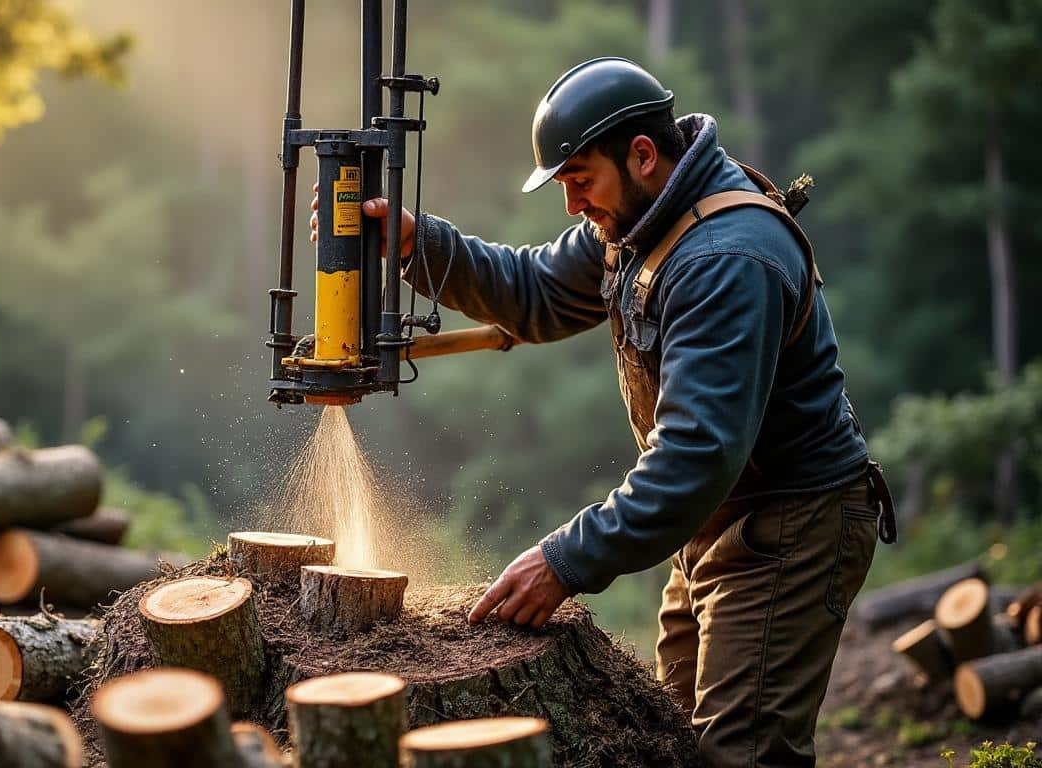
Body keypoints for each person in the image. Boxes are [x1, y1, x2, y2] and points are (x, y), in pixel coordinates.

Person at [310, 57, 896, 767]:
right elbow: (537, 292)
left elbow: (695, 456)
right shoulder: (642, 219)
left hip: (792, 525)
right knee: (671, 741)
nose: (571, 205)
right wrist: (416, 243)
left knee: (738, 755)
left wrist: (564, 559)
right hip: (717, 520)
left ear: (642, 155)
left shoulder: (726, 257)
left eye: (579, 181)